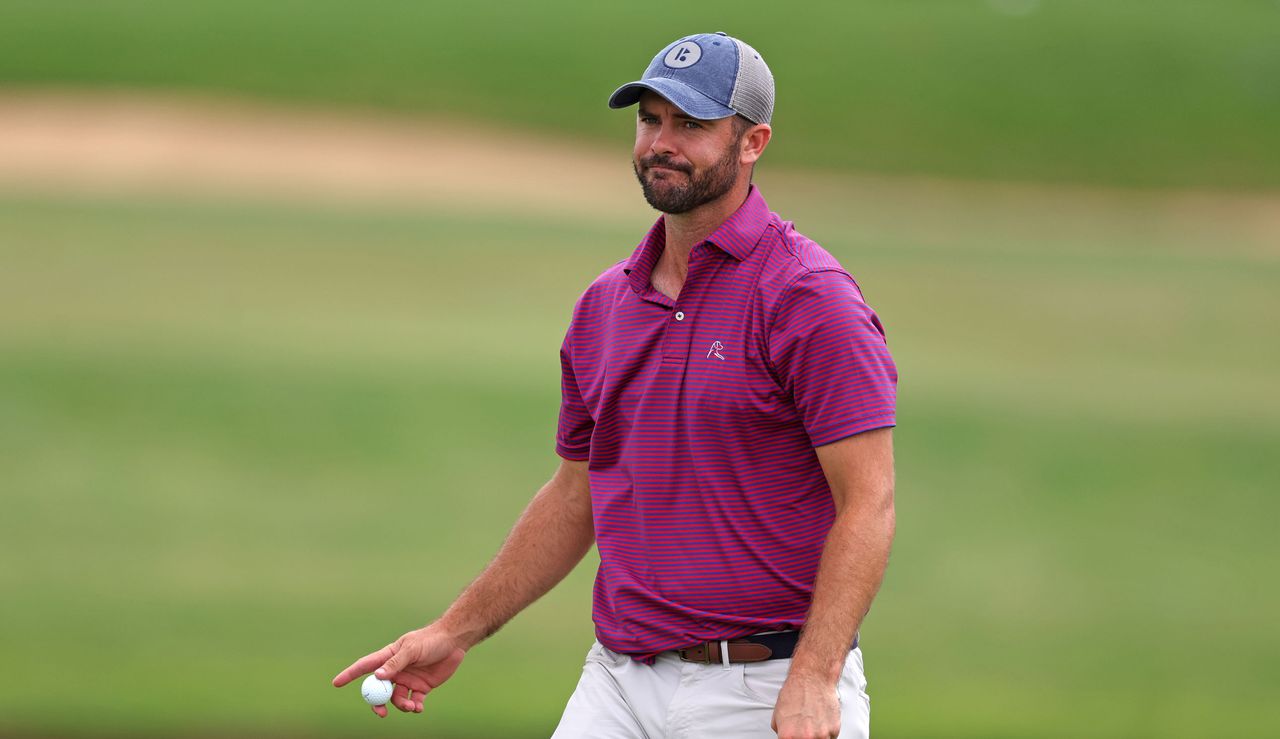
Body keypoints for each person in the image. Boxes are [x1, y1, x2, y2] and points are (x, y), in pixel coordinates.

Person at [332, 32, 897, 739]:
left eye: (690, 125)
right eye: (650, 119)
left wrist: (815, 675)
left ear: (752, 143)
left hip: (767, 688)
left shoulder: (809, 299)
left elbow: (868, 501)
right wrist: (455, 630)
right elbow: (577, 493)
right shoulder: (606, 305)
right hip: (621, 683)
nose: (661, 142)